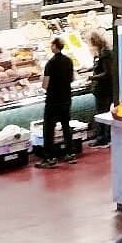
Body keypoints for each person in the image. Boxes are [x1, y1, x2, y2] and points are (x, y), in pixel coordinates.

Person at [37, 38, 76, 168]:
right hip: (66, 99)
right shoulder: (68, 61)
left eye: (51, 45)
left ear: (55, 46)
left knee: (48, 129)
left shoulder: (51, 63)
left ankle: (49, 157)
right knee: (66, 126)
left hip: (53, 100)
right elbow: (71, 79)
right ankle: (70, 153)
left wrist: (42, 81)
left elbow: (45, 85)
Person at [87, 31, 114, 148]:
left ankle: (103, 138)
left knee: (103, 113)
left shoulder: (105, 54)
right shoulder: (102, 52)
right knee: (103, 112)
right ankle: (104, 136)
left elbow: (107, 73)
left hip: (104, 89)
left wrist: (92, 77)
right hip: (104, 89)